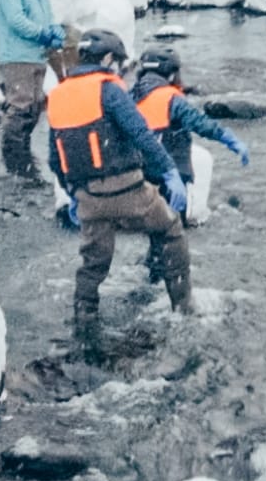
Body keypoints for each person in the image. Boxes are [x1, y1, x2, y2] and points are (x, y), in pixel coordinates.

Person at [46, 29, 191, 335]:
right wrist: (170, 172)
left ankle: (84, 321)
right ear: (109, 59)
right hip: (129, 190)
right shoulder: (110, 90)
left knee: (93, 263)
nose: (121, 70)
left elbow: (55, 158)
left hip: (88, 199)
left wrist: (73, 194)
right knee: (170, 229)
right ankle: (183, 308)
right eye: (120, 63)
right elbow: (141, 134)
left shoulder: (58, 95)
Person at [132, 47, 249, 245]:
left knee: (148, 233)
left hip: (137, 177)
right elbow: (200, 123)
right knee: (172, 237)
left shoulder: (127, 97)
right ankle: (163, 269)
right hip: (171, 177)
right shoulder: (171, 98)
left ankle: (150, 267)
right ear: (171, 74)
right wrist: (230, 139)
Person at [0, 0, 67, 179]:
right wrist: (43, 34)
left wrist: (55, 30)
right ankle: (14, 163)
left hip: (36, 56)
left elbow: (47, 18)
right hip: (17, 57)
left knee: (34, 108)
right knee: (21, 106)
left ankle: (22, 157)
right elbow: (16, 20)